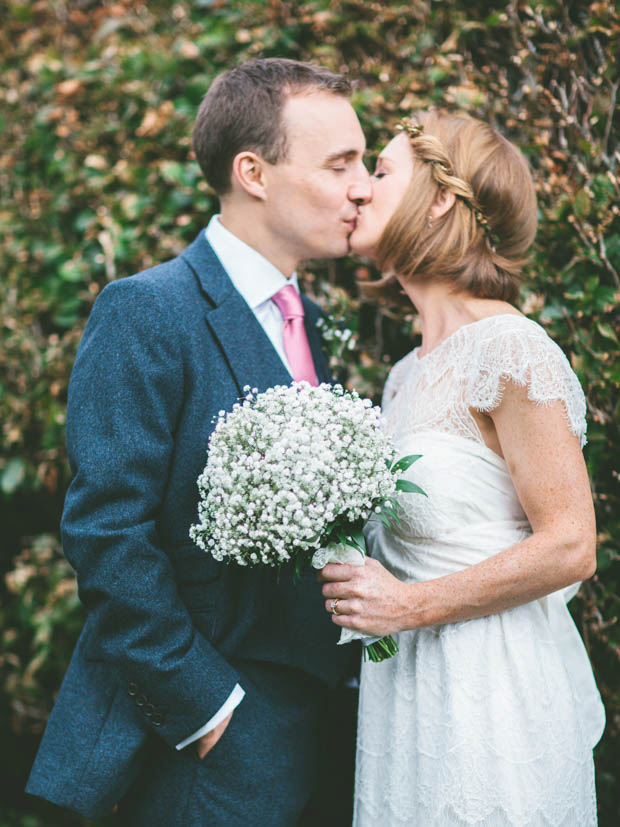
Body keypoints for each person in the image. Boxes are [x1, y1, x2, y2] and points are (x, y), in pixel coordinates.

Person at [26, 58, 371, 826]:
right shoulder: (147, 311)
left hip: (329, 734)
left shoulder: (309, 322)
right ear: (253, 171)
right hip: (214, 739)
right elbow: (105, 533)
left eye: (365, 164)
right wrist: (210, 712)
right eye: (340, 164)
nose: (363, 187)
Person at [319, 110, 605, 825]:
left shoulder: (510, 348)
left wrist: (406, 607)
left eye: (380, 172)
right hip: (408, 691)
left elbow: (572, 543)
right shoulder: (403, 376)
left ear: (441, 198)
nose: (359, 191)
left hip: (494, 689)